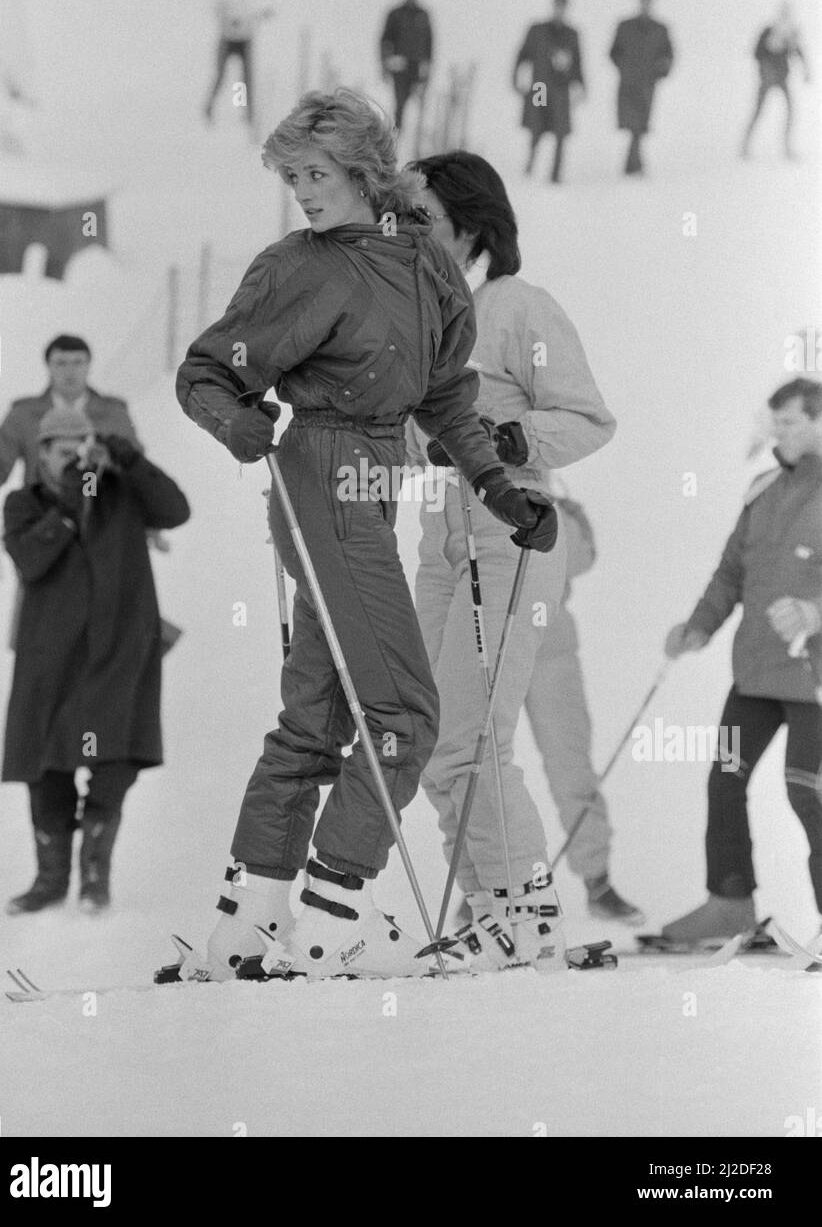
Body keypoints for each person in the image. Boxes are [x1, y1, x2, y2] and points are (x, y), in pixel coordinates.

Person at [175, 89, 556, 982]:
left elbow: (447, 399)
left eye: (316, 174)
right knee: (408, 715)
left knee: (319, 712)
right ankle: (333, 911)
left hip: (378, 482)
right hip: (322, 477)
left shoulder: (425, 262)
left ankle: (248, 921)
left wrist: (498, 488)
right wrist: (236, 422)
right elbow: (207, 371)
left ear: (365, 171)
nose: (303, 192)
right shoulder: (296, 267)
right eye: (292, 176)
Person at [405, 150, 616, 970]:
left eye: (422, 214)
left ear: (469, 222)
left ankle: (522, 912)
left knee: (472, 736)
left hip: (513, 526)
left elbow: (591, 418)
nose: (408, 228)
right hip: (440, 537)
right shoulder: (424, 314)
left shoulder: (517, 306)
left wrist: (514, 439)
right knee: (432, 738)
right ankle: (489, 907)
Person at [2, 408, 190, 915]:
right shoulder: (25, 503)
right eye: (62, 451)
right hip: (51, 660)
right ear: (41, 454)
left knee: (115, 761)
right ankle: (49, 881)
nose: (73, 459)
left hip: (119, 653)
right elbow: (30, 559)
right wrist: (67, 501)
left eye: (80, 448)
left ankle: (93, 877)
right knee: (48, 766)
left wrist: (129, 457)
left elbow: (175, 510)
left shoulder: (122, 495)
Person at [661, 378, 822, 945]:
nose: (780, 434)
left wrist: (814, 611)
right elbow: (732, 570)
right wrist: (699, 625)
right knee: (726, 778)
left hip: (813, 678)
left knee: (809, 790)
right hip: (756, 673)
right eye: (775, 423)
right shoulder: (764, 488)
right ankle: (729, 902)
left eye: (793, 423)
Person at [523, 493, 644, 925]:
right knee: (477, 765)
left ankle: (598, 881)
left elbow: (579, 559)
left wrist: (560, 509)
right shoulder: (465, 489)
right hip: (482, 645)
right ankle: (483, 890)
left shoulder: (554, 500)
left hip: (550, 647)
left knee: (570, 764)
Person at [0, 333, 140, 543]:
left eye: (77, 362)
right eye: (61, 363)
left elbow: (135, 467)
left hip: (103, 522)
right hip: (41, 524)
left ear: (89, 366)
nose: (70, 370)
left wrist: (151, 523)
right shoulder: (25, 414)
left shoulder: (113, 413)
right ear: (49, 366)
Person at [513, 0, 584, 183]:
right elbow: (522, 55)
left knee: (560, 130)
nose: (559, 10)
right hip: (540, 87)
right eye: (557, 5)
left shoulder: (571, 34)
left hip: (561, 89)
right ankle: (530, 165)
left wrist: (581, 86)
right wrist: (516, 79)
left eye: (563, 6)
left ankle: (556, 174)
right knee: (537, 126)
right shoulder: (538, 30)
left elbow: (578, 63)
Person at [203, 0, 274, 131]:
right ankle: (210, 107)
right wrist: (228, 20)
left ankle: (243, 109)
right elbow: (218, 7)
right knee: (221, 75)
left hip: (246, 36)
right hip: (228, 36)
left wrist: (261, 15)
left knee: (244, 78)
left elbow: (251, 8)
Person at [609, 0, 673, 176]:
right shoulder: (625, 26)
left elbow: (669, 55)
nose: (646, 3)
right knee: (632, 123)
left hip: (647, 84)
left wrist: (658, 73)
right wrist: (625, 68)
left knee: (640, 124)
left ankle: (633, 162)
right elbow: (614, 53)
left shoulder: (660, 29)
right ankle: (634, 163)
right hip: (628, 83)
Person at [740, 2, 810, 161]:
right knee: (758, 112)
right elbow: (756, 53)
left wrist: (806, 70)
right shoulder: (768, 32)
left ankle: (787, 147)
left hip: (782, 78)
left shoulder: (790, 34)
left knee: (790, 111)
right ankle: (745, 146)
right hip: (767, 79)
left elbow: (799, 52)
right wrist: (766, 68)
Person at [379, 0, 433, 133]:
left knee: (420, 105)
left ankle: (418, 139)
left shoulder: (423, 15)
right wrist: (385, 64)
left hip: (417, 67)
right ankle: (398, 135)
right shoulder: (396, 14)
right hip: (400, 66)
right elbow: (385, 40)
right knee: (400, 102)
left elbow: (430, 45)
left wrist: (428, 68)